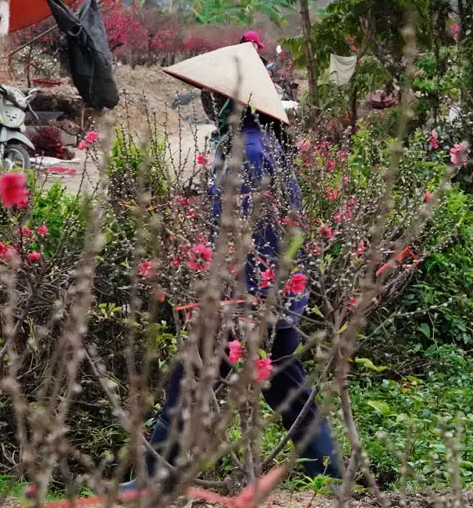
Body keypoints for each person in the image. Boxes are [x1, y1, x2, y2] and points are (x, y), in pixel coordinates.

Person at [143, 93, 343, 482]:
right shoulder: (259, 142)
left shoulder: (248, 150)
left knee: (190, 378)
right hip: (269, 293)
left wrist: (244, 305)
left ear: (232, 100)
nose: (206, 100)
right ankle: (332, 474)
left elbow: (252, 236)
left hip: (250, 295)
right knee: (288, 389)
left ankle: (157, 476)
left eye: (213, 95)